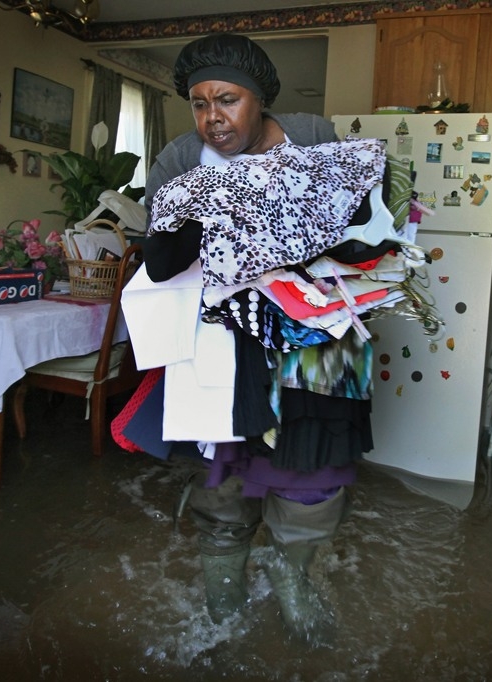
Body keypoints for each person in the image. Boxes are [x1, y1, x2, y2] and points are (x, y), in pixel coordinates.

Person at [126, 33, 383, 644]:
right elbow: (160, 263)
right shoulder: (180, 159)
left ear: (260, 98)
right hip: (223, 339)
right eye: (199, 103)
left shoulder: (313, 137)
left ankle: (293, 575)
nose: (212, 117)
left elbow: (364, 236)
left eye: (228, 100)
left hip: (319, 337)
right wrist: (213, 205)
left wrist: (304, 216)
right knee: (224, 474)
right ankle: (224, 591)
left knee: (314, 473)